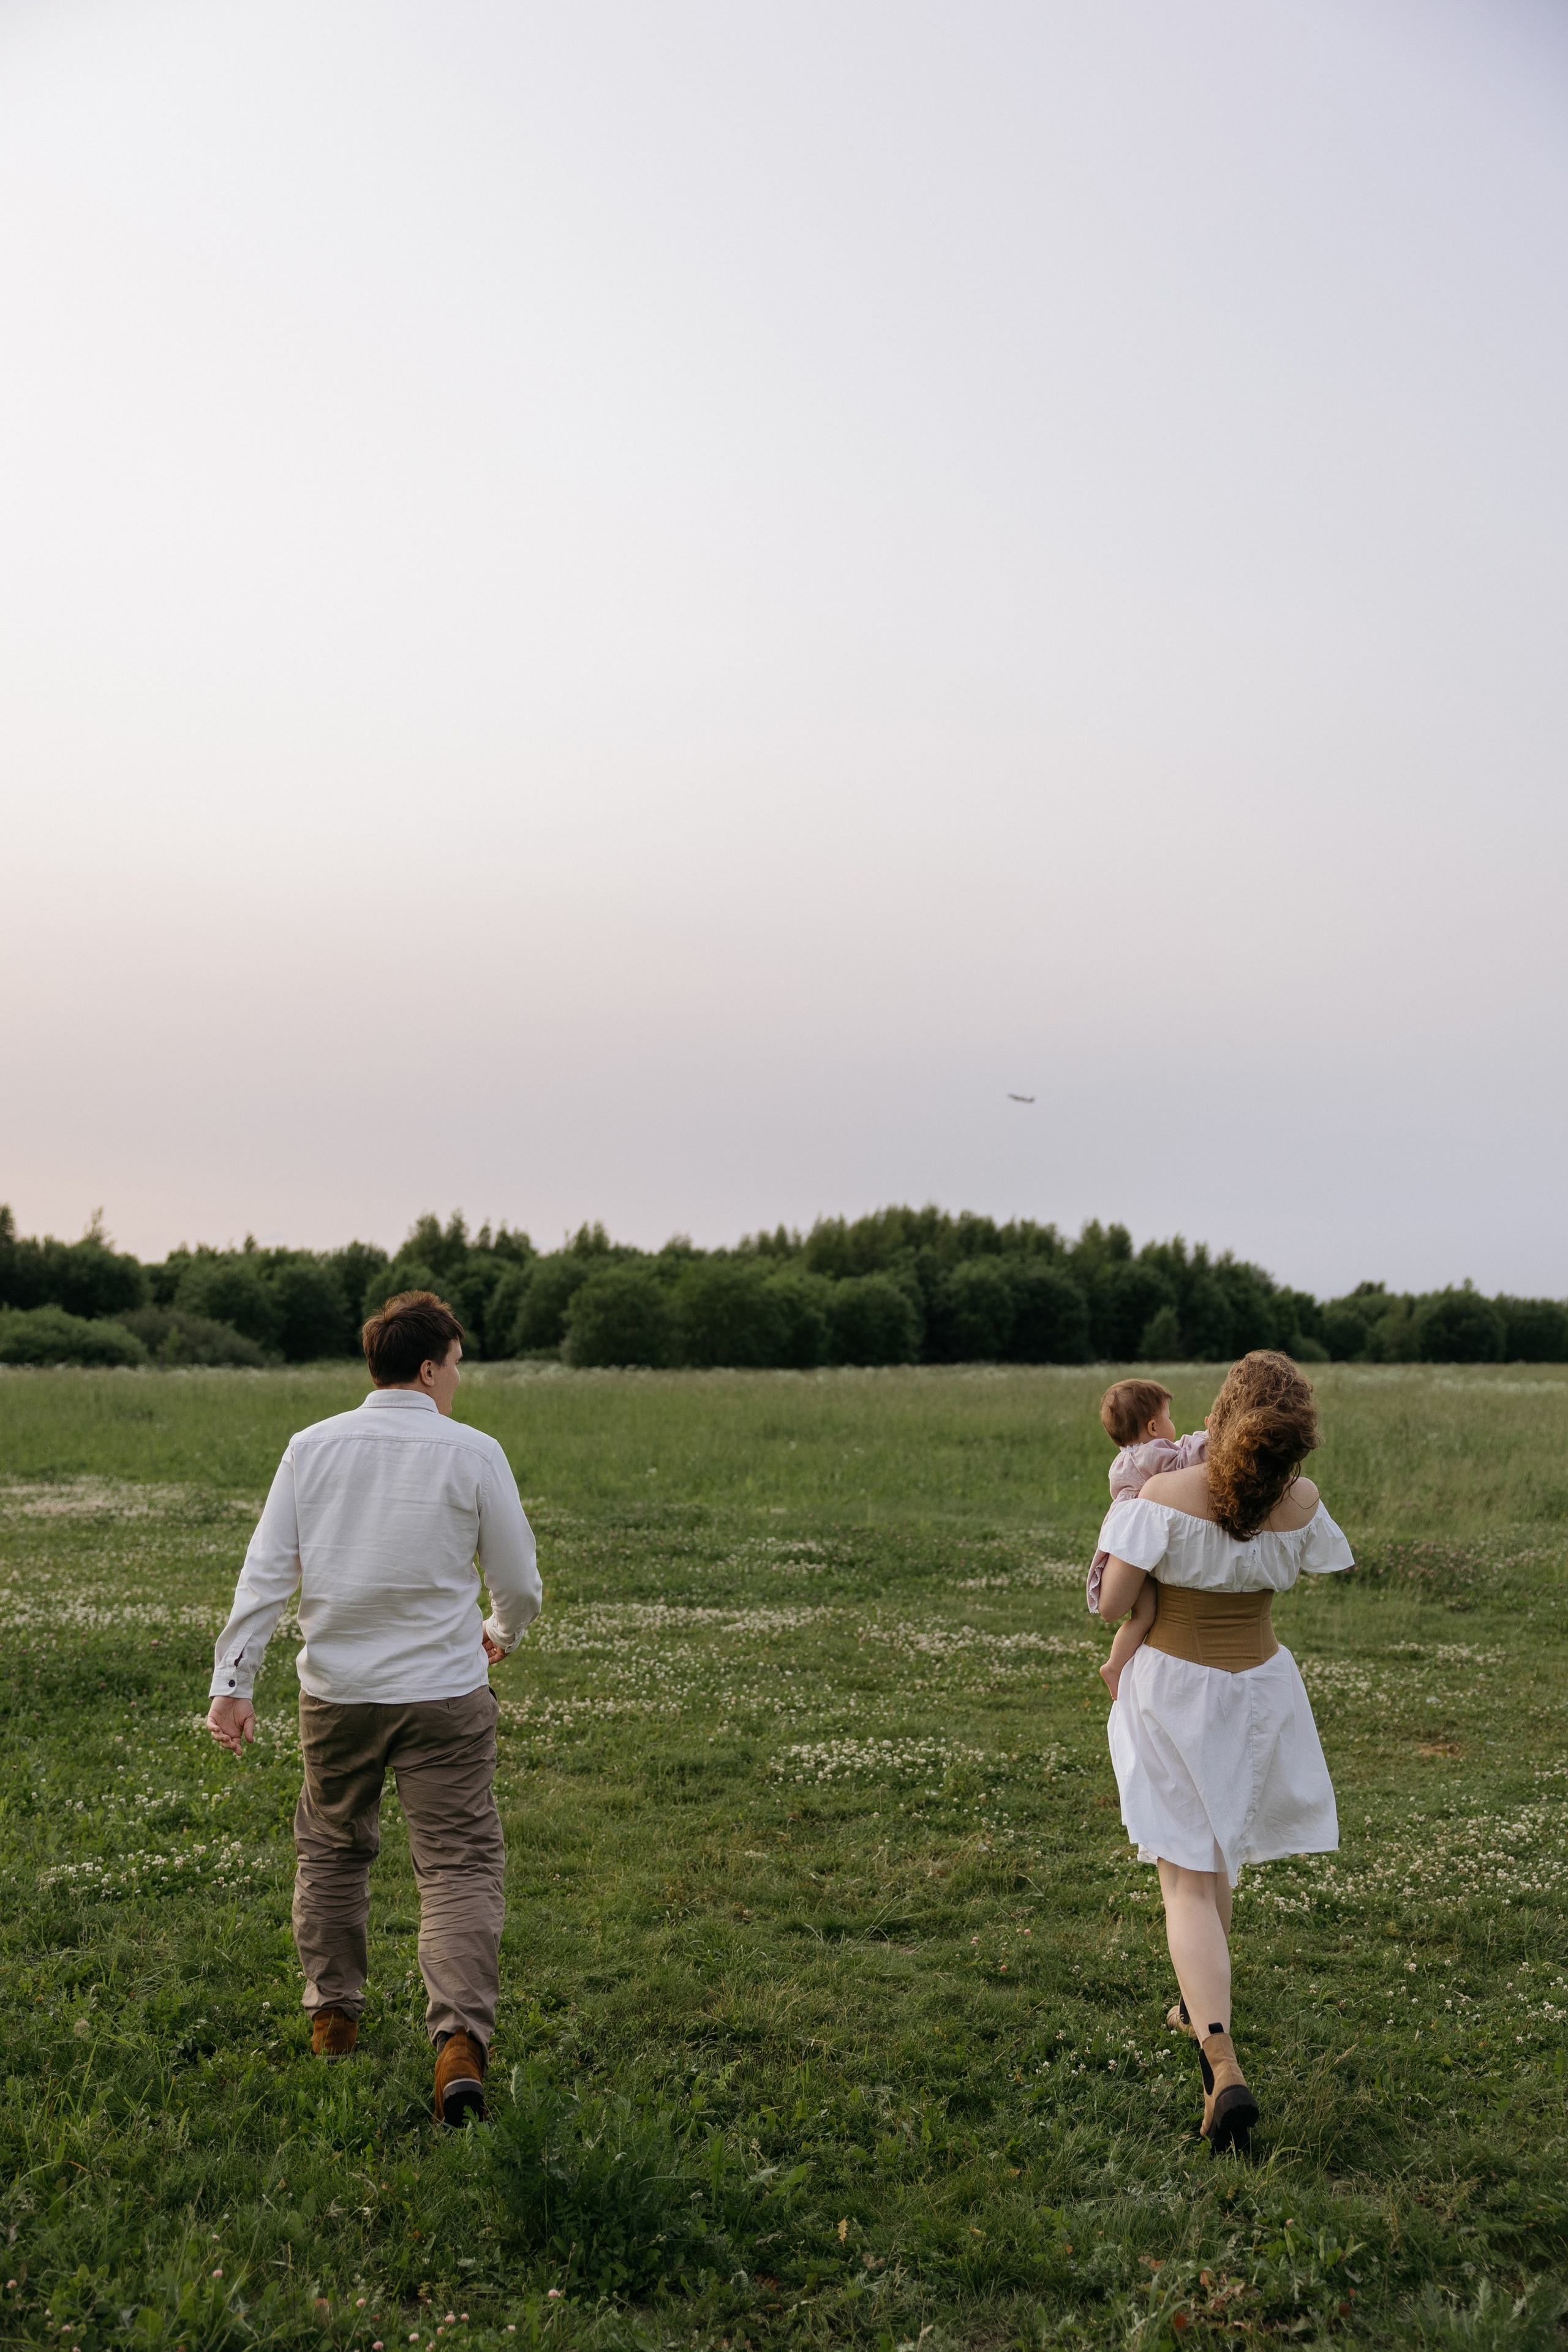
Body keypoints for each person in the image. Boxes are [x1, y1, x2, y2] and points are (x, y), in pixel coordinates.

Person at [204, 1290, 541, 2127]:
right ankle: (459, 2045)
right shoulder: (474, 1452)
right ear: (429, 1368)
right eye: (457, 1365)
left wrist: (233, 1683)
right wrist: (503, 1630)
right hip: (445, 1694)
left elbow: (265, 1575)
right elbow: (521, 1582)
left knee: (330, 1849)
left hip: (339, 1696)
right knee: (459, 1863)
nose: (460, 1380)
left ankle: (334, 2021)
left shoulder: (310, 1448)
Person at [1093, 1350, 1352, 2153]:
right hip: (1259, 1690)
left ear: (1226, 1409)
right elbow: (1303, 1559)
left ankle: (1219, 2057)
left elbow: (1111, 1603)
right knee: (1220, 1859)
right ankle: (1198, 2010)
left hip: (1175, 1688)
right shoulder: (1301, 1502)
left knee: (1186, 1880)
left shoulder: (1162, 1495)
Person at [1087, 1379, 1208, 1698]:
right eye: (1169, 1418)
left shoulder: (1131, 1455)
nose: (1174, 1425)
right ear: (1154, 1427)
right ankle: (1114, 1666)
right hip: (1136, 1546)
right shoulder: (1150, 1455)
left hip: (1128, 1542)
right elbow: (1185, 1461)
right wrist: (1211, 1438)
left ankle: (1116, 1665)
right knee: (1146, 1615)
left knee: (1145, 1614)